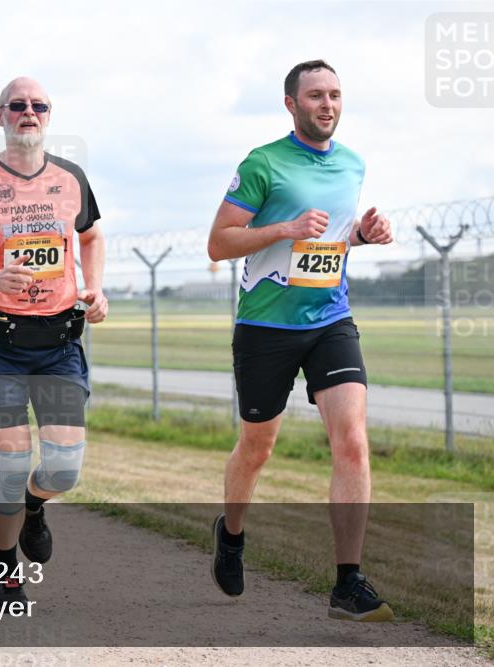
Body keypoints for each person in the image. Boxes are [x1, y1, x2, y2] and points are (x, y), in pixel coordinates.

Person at [207, 60, 394, 621]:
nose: (328, 104)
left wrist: (360, 235)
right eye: (316, 95)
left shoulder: (353, 164)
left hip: (330, 319)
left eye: (335, 94)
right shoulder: (264, 163)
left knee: (352, 441)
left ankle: (347, 583)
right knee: (258, 446)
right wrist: (282, 228)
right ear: (291, 104)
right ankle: (232, 534)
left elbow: (331, 241)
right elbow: (219, 244)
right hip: (266, 326)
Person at [0, 77, 107, 605]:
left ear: (49, 116)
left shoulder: (72, 178)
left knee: (63, 470)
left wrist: (93, 286)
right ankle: (6, 571)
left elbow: (92, 235)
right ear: (0, 116)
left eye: (38, 105)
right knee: (11, 465)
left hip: (58, 344)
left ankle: (35, 505)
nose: (28, 112)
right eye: (18, 105)